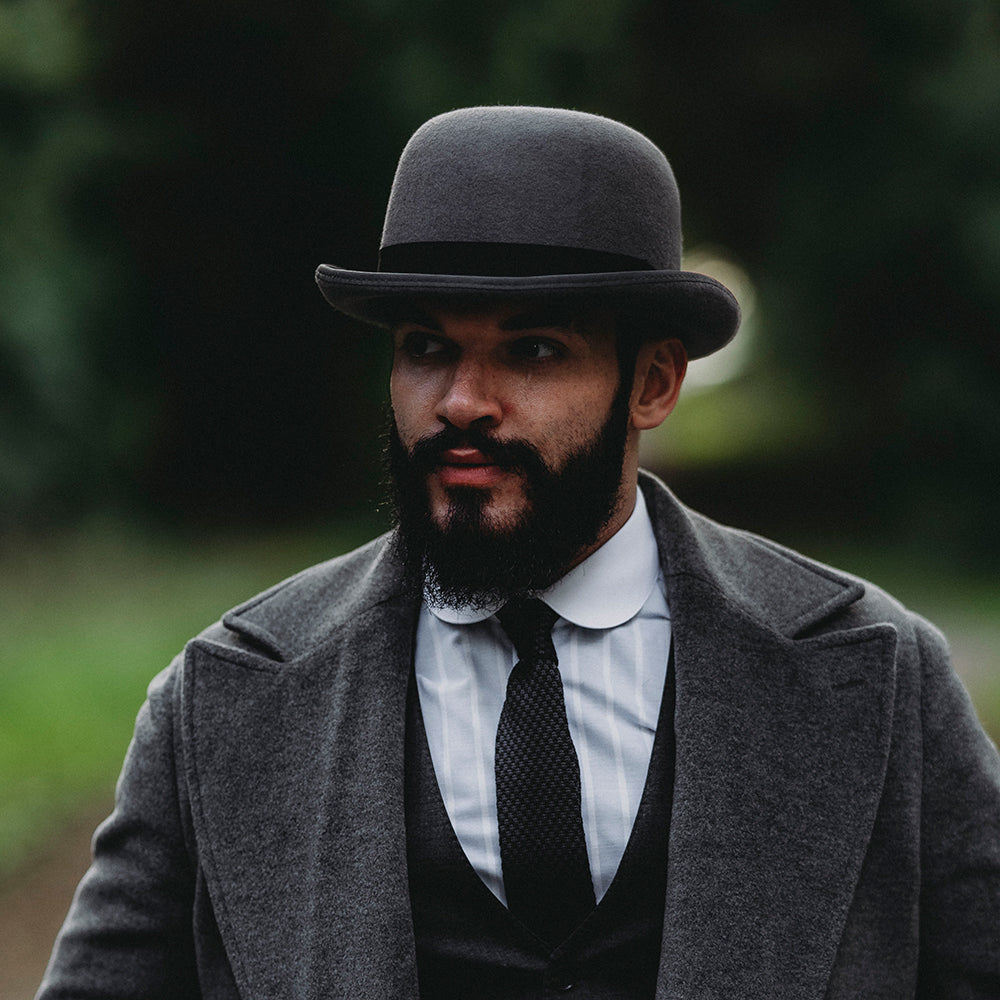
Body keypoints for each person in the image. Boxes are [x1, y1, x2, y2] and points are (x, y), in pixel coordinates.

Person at [38, 106, 1000, 1000]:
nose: (461, 401)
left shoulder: (876, 678)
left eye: (531, 351)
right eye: (425, 347)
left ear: (654, 383)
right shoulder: (224, 700)